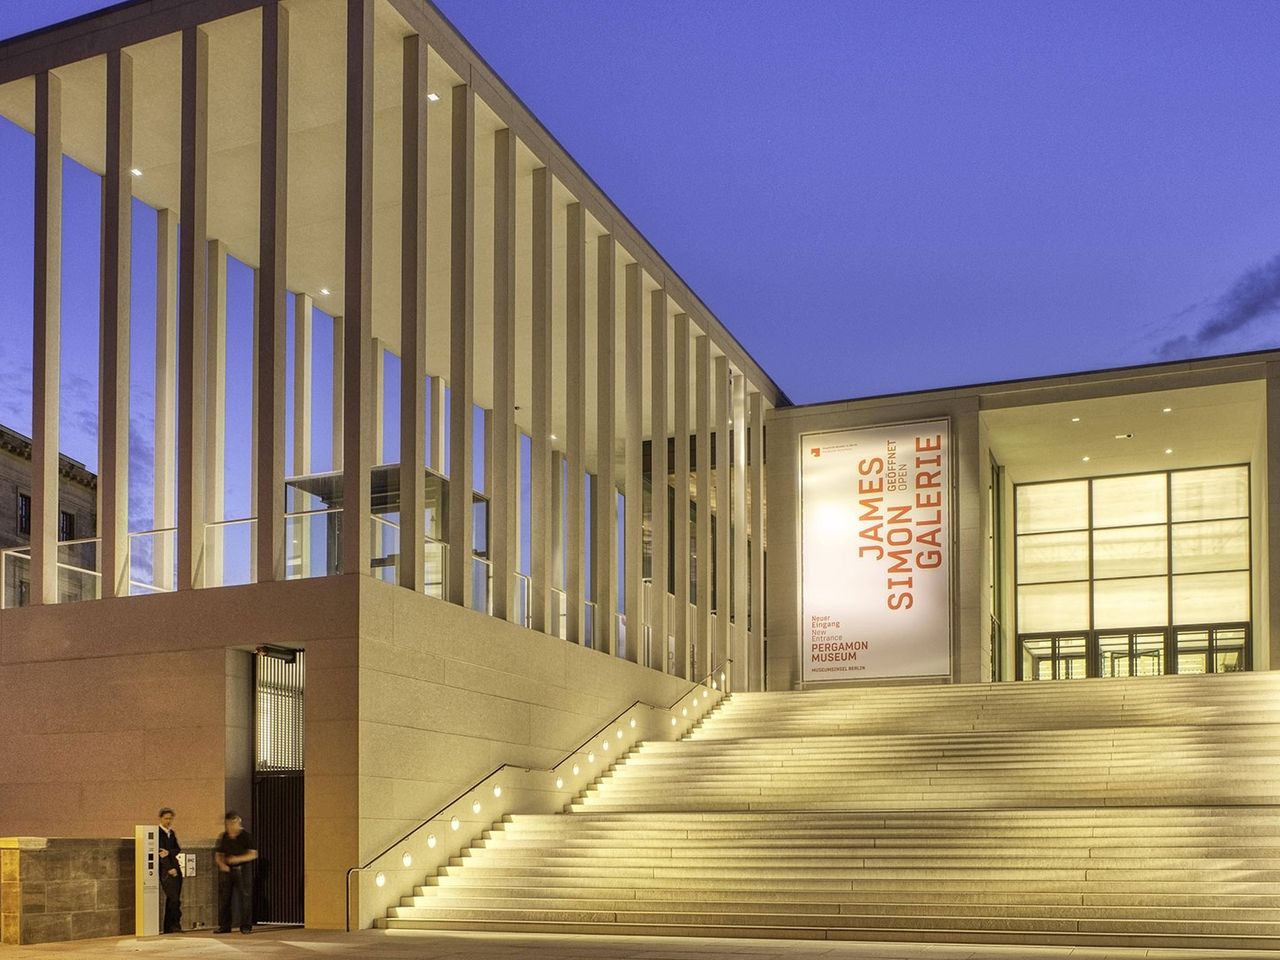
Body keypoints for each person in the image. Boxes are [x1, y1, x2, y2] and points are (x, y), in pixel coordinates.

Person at [214, 810, 258, 934]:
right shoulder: (224, 836)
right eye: (228, 824)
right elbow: (218, 854)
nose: (231, 827)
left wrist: (237, 859)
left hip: (242, 870)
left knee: (245, 898)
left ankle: (245, 926)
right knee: (224, 899)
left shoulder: (246, 836)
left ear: (238, 822)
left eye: (233, 823)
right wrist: (222, 864)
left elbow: (253, 854)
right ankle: (224, 926)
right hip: (227, 871)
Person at [157, 807, 183, 934]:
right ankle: (174, 925)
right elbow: (160, 854)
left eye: (170, 819)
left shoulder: (171, 833)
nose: (168, 821)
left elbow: (178, 849)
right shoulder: (158, 833)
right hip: (166, 869)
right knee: (173, 898)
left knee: (174, 898)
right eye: (166, 818)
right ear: (161, 818)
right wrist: (169, 868)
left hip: (175, 866)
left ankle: (169, 926)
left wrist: (169, 852)